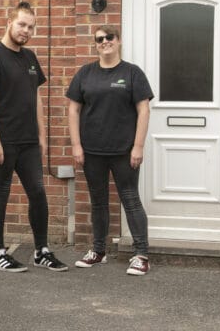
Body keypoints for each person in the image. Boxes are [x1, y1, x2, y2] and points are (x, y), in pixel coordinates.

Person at [0, 1, 67, 273]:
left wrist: (42, 135)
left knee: (38, 193)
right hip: (2, 141)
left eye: (31, 27)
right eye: (22, 25)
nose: (26, 31)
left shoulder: (29, 58)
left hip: (28, 141)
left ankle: (42, 251)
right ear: (9, 23)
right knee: (0, 193)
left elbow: (35, 97)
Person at [66, 25, 153, 276]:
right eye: (99, 39)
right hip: (92, 151)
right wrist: (76, 145)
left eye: (109, 37)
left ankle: (141, 255)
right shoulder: (85, 73)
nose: (105, 42)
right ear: (95, 44)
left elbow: (143, 110)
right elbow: (73, 109)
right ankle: (98, 251)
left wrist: (138, 146)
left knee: (130, 199)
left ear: (119, 40)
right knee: (98, 201)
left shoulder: (132, 73)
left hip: (124, 151)